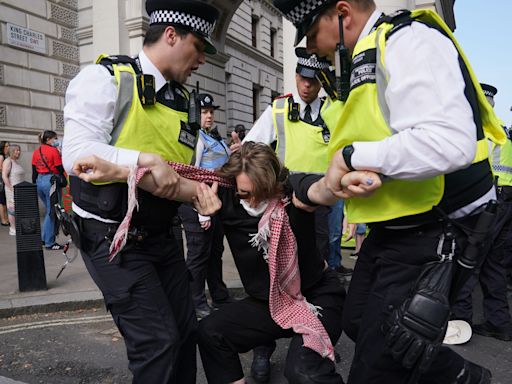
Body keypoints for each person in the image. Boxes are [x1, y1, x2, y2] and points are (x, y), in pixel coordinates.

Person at [273, 0, 506, 383]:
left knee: (378, 363)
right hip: (395, 224)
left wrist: (352, 156)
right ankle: (459, 375)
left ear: (343, 13)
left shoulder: (407, 40)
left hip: (436, 225)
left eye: (313, 34)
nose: (312, 48)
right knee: (359, 319)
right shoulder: (367, 55)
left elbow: (449, 142)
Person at [71, 142, 348, 384]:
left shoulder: (292, 192)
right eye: (244, 193)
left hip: (316, 297)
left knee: (303, 371)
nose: (253, 201)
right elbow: (173, 183)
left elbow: (321, 189)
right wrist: (120, 172)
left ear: (275, 183)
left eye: (262, 193)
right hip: (268, 304)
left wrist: (338, 182)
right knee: (210, 333)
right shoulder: (226, 197)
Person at [61, 0, 220, 382]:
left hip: (162, 238)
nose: (201, 61)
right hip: (111, 238)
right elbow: (77, 155)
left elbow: (182, 173)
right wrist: (142, 160)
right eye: (198, 48)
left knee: (185, 335)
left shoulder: (184, 102)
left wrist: (205, 190)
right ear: (170, 35)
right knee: (157, 342)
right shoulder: (106, 78)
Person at [450, 84, 512, 342]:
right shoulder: (503, 132)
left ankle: (460, 321)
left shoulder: (477, 131)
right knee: (494, 265)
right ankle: (500, 323)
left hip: (486, 202)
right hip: (507, 201)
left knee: (469, 260)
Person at [178, 93, 232, 319]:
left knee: (214, 252)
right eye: (204, 112)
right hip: (198, 203)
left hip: (215, 202)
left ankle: (219, 295)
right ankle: (196, 300)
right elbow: (191, 175)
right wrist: (199, 211)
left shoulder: (213, 137)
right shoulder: (195, 138)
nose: (209, 116)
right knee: (199, 254)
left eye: (211, 112)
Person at [32, 130, 66, 250]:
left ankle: (44, 238)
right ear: (48, 140)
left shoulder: (36, 152)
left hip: (39, 181)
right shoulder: (53, 151)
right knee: (52, 212)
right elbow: (60, 168)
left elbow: (34, 171)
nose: (56, 141)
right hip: (51, 181)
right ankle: (50, 242)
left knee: (49, 211)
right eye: (55, 138)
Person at [2, 144, 25, 236]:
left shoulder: (15, 162)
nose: (18, 152)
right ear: (11, 151)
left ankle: (17, 227)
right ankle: (12, 228)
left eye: (19, 150)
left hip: (19, 189)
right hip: (12, 189)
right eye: (16, 150)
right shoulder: (8, 161)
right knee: (12, 209)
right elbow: (4, 176)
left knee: (18, 209)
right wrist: (11, 188)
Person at [0, 141, 10, 227]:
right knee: (2, 202)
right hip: (1, 181)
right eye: (6, 146)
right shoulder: (1, 156)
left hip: (2, 180)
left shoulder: (3, 156)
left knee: (3, 201)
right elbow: (0, 168)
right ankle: (3, 220)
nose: (8, 148)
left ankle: (5, 219)